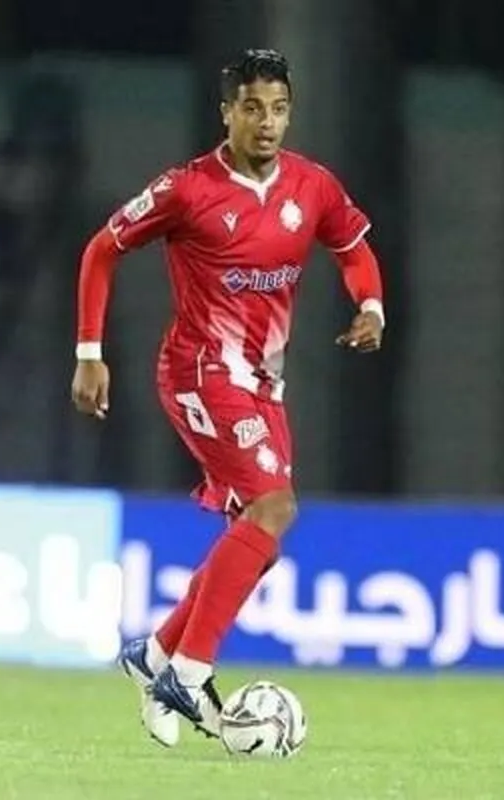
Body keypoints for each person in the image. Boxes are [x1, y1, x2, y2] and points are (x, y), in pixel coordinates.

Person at [70, 48, 386, 747]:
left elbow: (354, 248)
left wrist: (371, 306)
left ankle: (156, 654)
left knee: (261, 535)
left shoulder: (313, 186)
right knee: (275, 508)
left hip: (262, 385)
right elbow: (101, 250)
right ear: (227, 113)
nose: (267, 122)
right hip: (200, 372)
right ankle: (188, 671)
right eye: (252, 108)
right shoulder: (187, 190)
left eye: (278, 109)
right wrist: (89, 353)